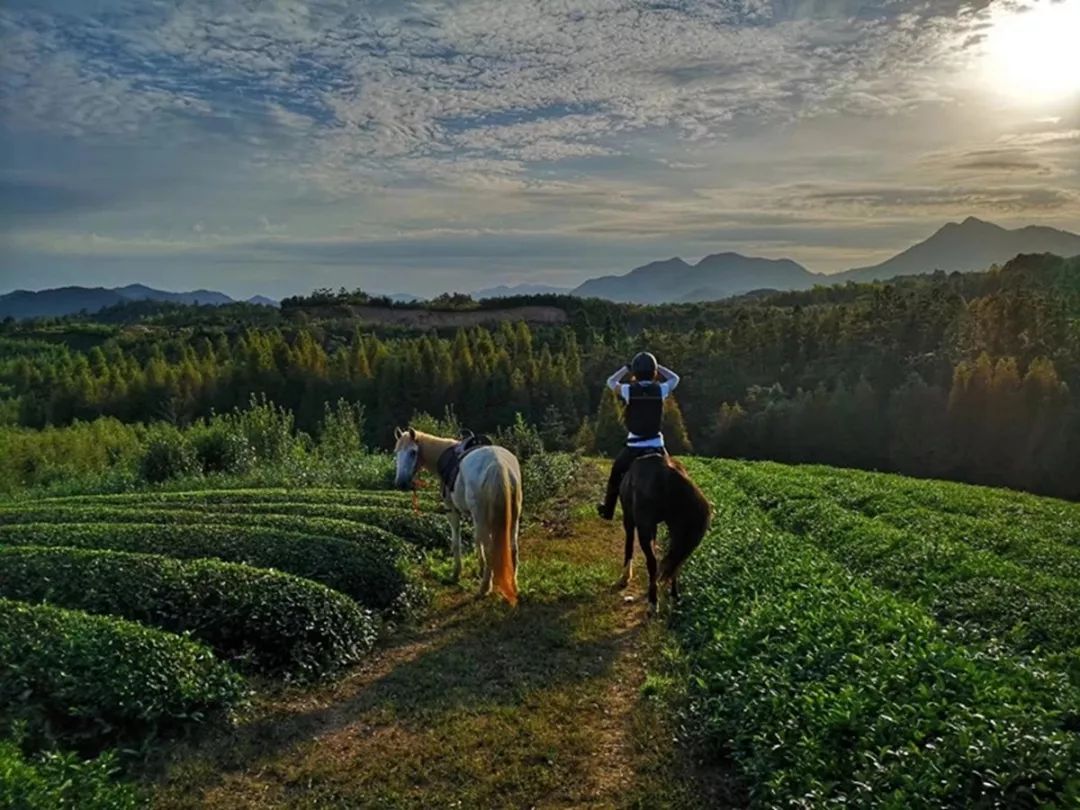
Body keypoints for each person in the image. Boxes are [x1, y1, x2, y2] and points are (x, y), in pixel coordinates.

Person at [597, 351, 680, 520]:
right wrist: (660, 367)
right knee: (674, 476)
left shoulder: (628, 390)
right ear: (654, 371)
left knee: (616, 473)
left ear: (635, 372)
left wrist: (625, 369)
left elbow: (611, 382)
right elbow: (675, 378)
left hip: (634, 447)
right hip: (656, 445)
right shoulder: (661, 389)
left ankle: (608, 510)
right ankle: (678, 512)